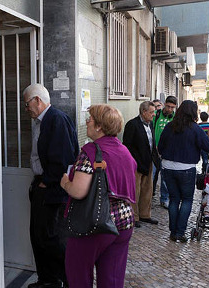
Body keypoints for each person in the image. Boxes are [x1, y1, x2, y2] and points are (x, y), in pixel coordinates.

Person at [60, 104, 136, 288]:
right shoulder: (124, 150)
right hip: (124, 221)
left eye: (90, 119)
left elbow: (79, 191)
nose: (87, 122)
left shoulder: (91, 152)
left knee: (78, 276)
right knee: (112, 279)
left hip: (94, 222)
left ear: (99, 126)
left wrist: (65, 182)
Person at [23, 83, 79, 288]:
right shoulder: (43, 121)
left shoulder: (56, 120)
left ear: (38, 100)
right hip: (43, 187)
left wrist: (47, 181)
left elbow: (63, 158)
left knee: (51, 238)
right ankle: (46, 279)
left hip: (52, 191)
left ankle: (62, 280)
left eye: (27, 103)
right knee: (39, 236)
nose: (26, 108)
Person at [158, 100, 209, 243]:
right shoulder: (194, 128)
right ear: (193, 112)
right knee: (187, 200)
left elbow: (160, 147)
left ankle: (173, 231)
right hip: (186, 169)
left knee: (174, 199)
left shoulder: (170, 126)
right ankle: (180, 232)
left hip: (168, 167)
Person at [123, 101, 159, 228]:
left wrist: (156, 161)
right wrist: (135, 162)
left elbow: (151, 144)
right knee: (135, 191)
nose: (153, 115)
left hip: (148, 162)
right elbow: (127, 146)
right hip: (135, 164)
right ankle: (134, 216)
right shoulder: (132, 125)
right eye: (151, 112)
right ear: (143, 112)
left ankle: (145, 214)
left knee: (147, 190)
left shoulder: (151, 124)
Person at [153, 96, 177, 209]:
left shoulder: (175, 118)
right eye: (168, 106)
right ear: (164, 104)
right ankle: (148, 197)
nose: (170, 109)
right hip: (154, 150)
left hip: (168, 152)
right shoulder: (156, 114)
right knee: (151, 175)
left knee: (165, 178)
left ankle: (164, 198)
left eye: (172, 107)